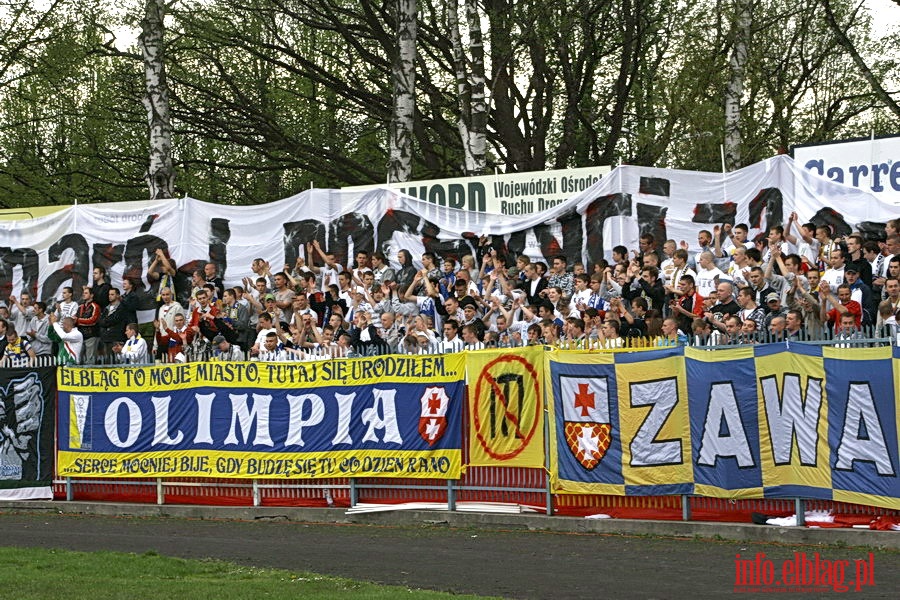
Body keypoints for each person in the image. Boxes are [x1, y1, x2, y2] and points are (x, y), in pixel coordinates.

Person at [75, 286, 101, 365]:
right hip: (80, 336)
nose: (83, 294)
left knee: (90, 361)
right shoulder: (80, 307)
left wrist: (78, 320)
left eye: (86, 293)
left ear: (92, 295)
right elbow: (75, 319)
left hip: (91, 335)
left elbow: (93, 320)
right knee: (78, 360)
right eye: (83, 293)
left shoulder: (95, 306)